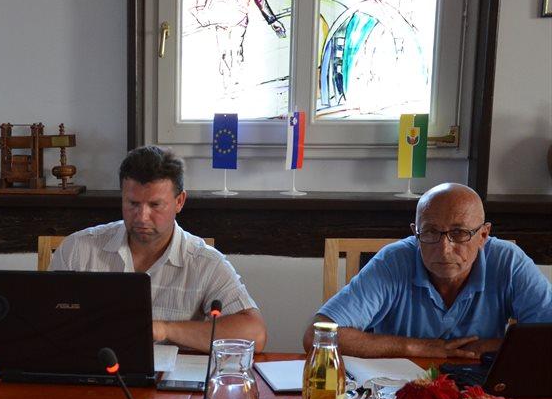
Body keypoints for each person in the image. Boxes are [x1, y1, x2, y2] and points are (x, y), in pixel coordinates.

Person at [49, 145, 266, 353]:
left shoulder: (205, 261)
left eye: (155, 205)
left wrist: (164, 329)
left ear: (179, 202)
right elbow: (45, 324)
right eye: (133, 203)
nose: (142, 217)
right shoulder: (77, 249)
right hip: (91, 370)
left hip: (171, 378)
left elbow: (255, 335)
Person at [304, 183, 552, 358]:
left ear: (483, 235)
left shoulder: (507, 261)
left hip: (483, 391)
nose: (444, 249)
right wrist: (418, 347)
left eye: (459, 233)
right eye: (431, 232)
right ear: (415, 233)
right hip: (396, 390)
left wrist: (488, 347)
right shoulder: (394, 261)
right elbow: (316, 335)